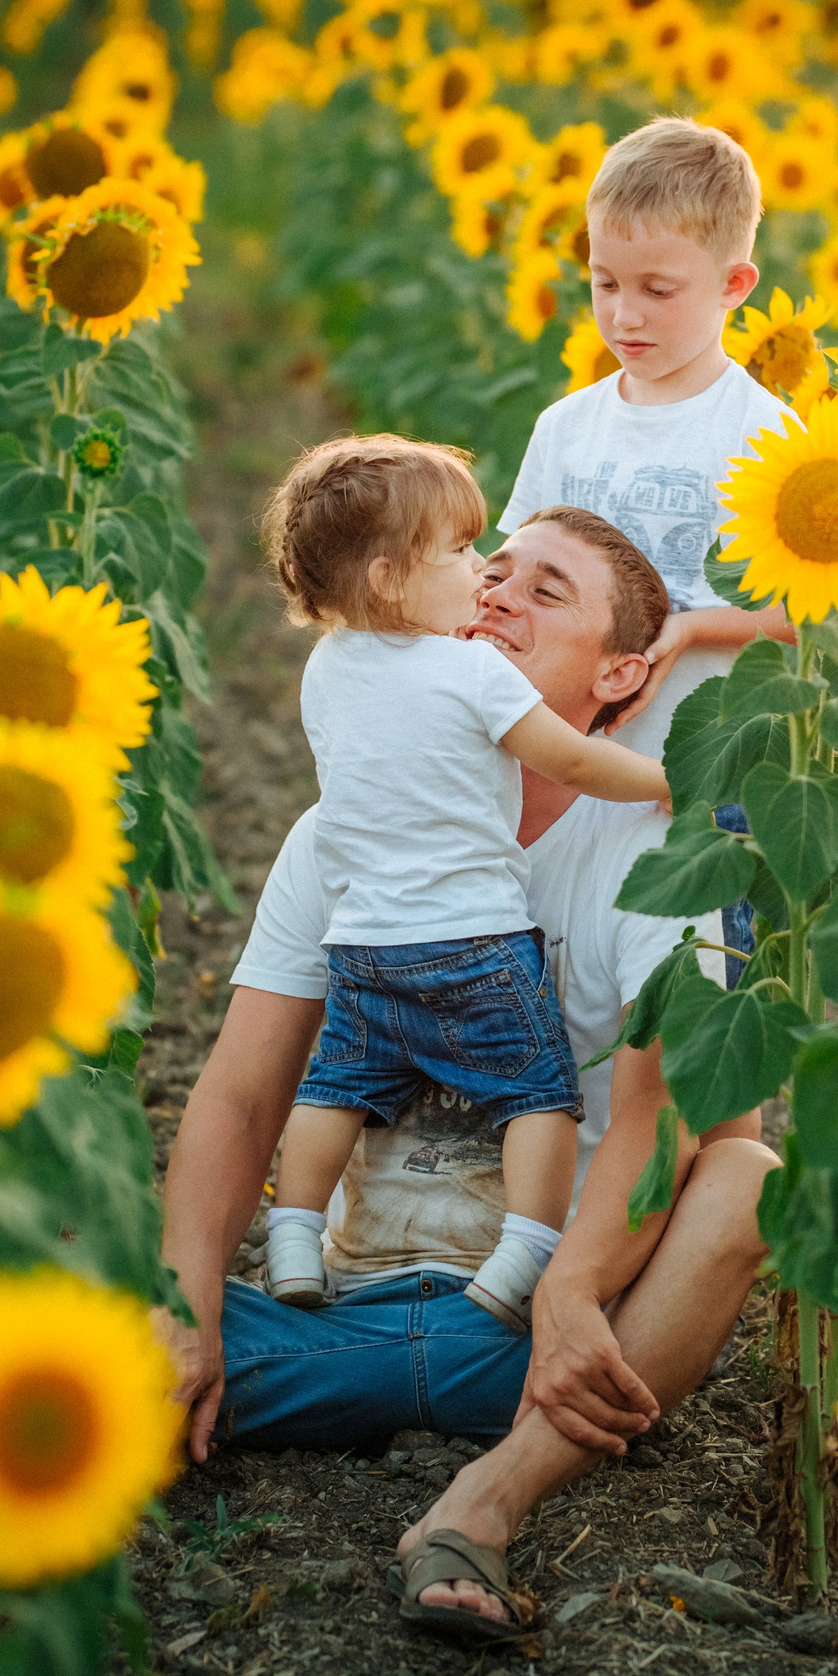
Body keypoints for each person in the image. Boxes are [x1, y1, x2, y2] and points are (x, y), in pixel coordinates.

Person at [154, 506, 781, 1638]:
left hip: (542, 1337)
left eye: (547, 593)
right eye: (490, 574)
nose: (497, 596)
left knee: (747, 1175)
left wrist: (576, 1293)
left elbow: (657, 1115)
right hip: (336, 1307)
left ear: (624, 675)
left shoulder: (667, 845)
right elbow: (243, 1092)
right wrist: (190, 1310)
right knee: (53, 1295)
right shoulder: (341, 829)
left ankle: (487, 1501)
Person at [253, 435, 670, 1333]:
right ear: (390, 579)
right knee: (537, 1095)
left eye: (541, 587)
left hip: (363, 946)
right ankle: (527, 1252)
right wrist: (678, 777)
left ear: (620, 670)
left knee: (335, 1087)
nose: (484, 581)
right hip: (470, 944)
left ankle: (290, 1233)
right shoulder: (469, 668)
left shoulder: (327, 669)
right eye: (469, 556)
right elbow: (569, 757)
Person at [497, 115, 800, 756]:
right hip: (564, 752)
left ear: (734, 285)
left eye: (657, 290)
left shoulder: (765, 434)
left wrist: (690, 629)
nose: (623, 314)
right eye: (604, 282)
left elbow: (806, 615)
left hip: (697, 751)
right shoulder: (565, 427)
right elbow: (513, 581)